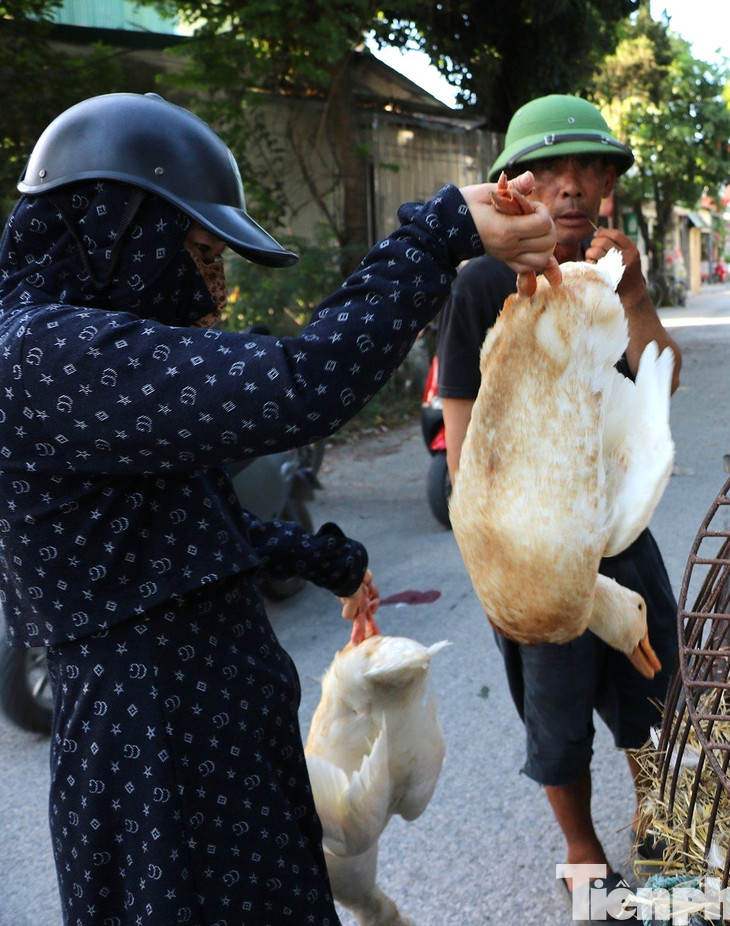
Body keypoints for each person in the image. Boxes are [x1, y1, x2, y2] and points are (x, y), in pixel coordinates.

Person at [0, 92, 556, 926]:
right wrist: (437, 235)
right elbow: (302, 386)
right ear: (123, 231)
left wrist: (326, 559)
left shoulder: (85, 357)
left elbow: (181, 528)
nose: (215, 290)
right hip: (156, 748)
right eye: (200, 254)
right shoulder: (41, 353)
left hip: (212, 733)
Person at [435, 94, 682, 907]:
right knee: (557, 720)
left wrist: (638, 293)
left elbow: (662, 383)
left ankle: (662, 827)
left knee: (656, 690)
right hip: (533, 553)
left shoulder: (612, 277)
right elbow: (467, 440)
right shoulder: (478, 285)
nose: (569, 188)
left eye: (587, 170)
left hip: (617, 533)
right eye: (549, 172)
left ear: (607, 184)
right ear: (513, 189)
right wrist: (493, 570)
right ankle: (584, 854)